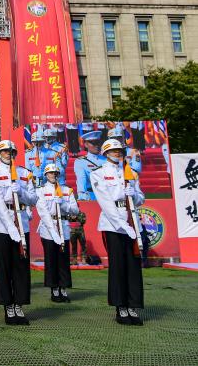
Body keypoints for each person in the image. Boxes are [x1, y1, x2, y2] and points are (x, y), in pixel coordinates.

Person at [91, 139, 146, 326]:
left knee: (133, 266)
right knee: (118, 265)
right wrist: (123, 226)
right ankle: (120, 306)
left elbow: (140, 199)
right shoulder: (99, 173)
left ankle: (132, 305)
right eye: (113, 150)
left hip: (132, 219)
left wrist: (134, 194)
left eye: (120, 150)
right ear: (106, 153)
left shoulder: (131, 172)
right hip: (113, 225)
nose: (117, 153)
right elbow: (105, 203)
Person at [0, 140, 38, 325]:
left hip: (22, 221)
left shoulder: (25, 173)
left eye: (11, 151)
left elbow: (33, 198)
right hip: (2, 225)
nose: (8, 153)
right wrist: (10, 227)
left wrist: (21, 191)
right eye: (5, 151)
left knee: (21, 266)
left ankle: (19, 305)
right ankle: (8, 305)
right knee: (5, 266)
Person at [36, 163, 79, 303]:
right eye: (50, 173)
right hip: (48, 229)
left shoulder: (67, 190)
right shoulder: (41, 190)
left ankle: (63, 289)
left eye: (55, 173)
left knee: (63, 259)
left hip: (64, 227)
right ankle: (54, 289)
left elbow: (75, 210)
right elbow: (42, 210)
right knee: (51, 259)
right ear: (46, 175)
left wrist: (63, 204)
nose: (53, 175)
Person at [74, 130, 106, 201]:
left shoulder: (106, 159)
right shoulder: (81, 161)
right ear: (86, 145)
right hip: (92, 195)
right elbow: (81, 180)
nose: (97, 145)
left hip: (108, 195)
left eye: (98, 142)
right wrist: (82, 196)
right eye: (93, 143)